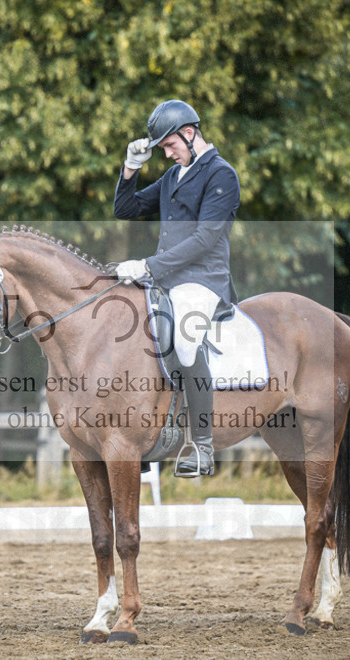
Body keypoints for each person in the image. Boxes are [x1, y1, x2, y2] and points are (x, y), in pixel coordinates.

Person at [113, 99, 240, 477]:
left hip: (204, 279)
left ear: (189, 133)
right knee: (131, 334)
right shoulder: (173, 177)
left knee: (184, 341)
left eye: (169, 146)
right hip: (166, 280)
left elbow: (205, 238)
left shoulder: (221, 175)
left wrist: (147, 265)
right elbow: (126, 209)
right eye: (162, 149)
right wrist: (131, 167)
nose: (167, 154)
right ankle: (150, 437)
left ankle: (201, 447)